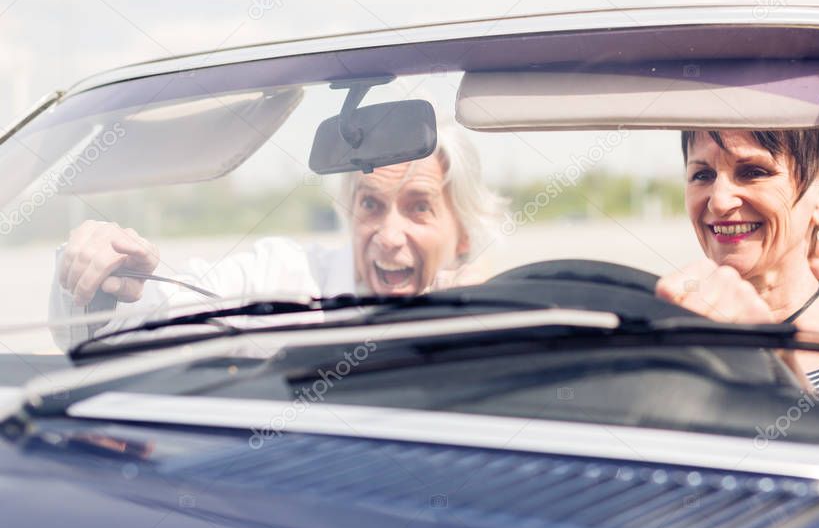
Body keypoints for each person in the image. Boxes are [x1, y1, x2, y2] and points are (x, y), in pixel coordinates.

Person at [48, 126, 505, 348]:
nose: (388, 235)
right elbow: (133, 325)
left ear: (464, 234)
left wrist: (491, 316)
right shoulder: (285, 277)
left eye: (418, 208)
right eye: (370, 204)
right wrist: (104, 271)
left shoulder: (508, 320)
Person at [655, 128, 819, 430]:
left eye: (754, 172)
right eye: (703, 175)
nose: (719, 202)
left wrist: (773, 353)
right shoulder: (663, 328)